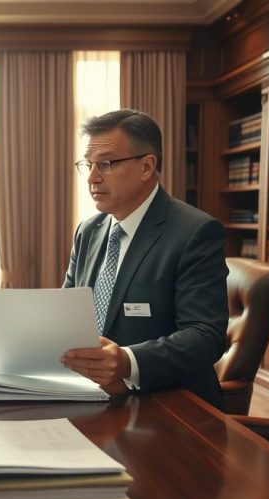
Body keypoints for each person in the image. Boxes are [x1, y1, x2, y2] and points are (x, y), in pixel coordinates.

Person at [60, 109, 228, 409]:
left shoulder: (196, 232)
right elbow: (66, 312)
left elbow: (205, 336)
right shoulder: (88, 231)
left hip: (166, 404)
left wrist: (127, 362)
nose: (92, 178)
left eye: (107, 164)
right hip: (87, 395)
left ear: (147, 166)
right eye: (88, 165)